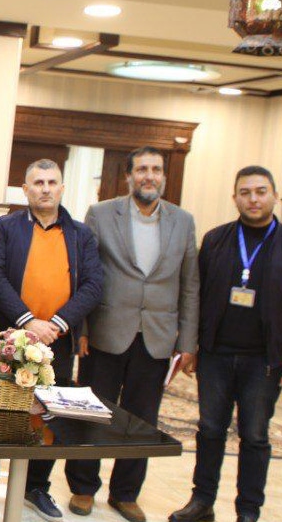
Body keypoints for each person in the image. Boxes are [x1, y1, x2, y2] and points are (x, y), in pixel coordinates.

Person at [0, 159, 103, 522]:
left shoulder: (81, 234)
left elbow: (93, 285)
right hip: (10, 337)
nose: (45, 189)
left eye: (52, 182)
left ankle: (36, 486)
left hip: (57, 341)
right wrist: (27, 321)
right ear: (25, 189)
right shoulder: (6, 227)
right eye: (38, 182)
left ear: (62, 188)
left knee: (47, 416)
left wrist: (56, 324)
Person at [65, 146, 198, 522]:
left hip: (156, 337)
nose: (149, 176)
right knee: (92, 412)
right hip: (105, 332)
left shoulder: (183, 221)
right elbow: (84, 274)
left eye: (156, 169)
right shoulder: (102, 214)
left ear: (164, 177)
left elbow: (190, 285)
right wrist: (81, 329)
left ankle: (125, 493)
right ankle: (83, 487)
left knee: (143, 419)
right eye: (141, 169)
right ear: (129, 176)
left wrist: (187, 342)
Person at [169, 166, 282, 522]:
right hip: (216, 355)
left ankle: (248, 510)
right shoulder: (216, 240)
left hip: (265, 361)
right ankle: (202, 502)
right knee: (210, 430)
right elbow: (195, 296)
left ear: (274, 195)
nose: (253, 199)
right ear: (235, 198)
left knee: (255, 435)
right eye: (245, 192)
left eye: (260, 191)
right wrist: (190, 345)